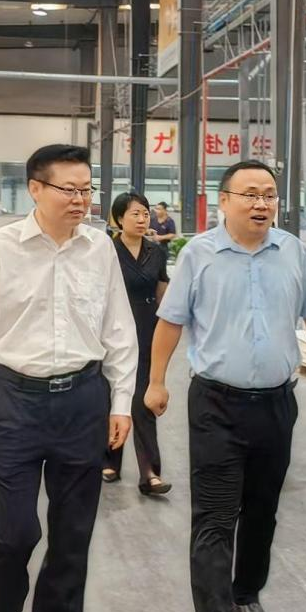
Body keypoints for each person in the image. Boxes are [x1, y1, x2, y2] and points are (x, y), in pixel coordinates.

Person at [145, 160, 306, 612]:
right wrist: (156, 380)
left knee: (262, 511)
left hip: (277, 404)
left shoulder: (292, 251)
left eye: (269, 194)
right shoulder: (199, 254)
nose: (262, 203)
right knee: (214, 520)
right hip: (216, 405)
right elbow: (170, 322)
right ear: (225, 201)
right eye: (250, 194)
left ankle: (247, 594)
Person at [0, 144, 137, 612]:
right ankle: (1, 611)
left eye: (87, 189)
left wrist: (121, 402)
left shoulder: (99, 249)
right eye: (69, 189)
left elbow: (119, 330)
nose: (81, 199)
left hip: (83, 402)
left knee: (72, 540)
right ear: (35, 189)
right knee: (12, 534)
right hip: (16, 404)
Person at [102, 192, 171, 496]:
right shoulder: (107, 251)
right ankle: (110, 460)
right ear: (119, 219)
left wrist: (166, 327)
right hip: (113, 329)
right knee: (111, 395)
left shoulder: (156, 252)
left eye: (145, 214)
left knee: (144, 399)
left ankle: (150, 473)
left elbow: (162, 291)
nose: (143, 219)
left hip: (147, 327)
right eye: (135, 214)